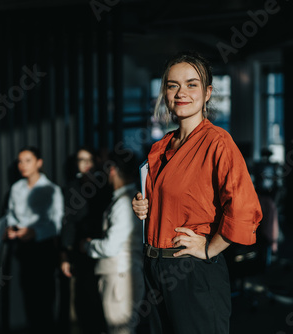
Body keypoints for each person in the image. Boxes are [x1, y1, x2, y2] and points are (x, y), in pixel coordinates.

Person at [131, 51, 263, 334]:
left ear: (207, 93)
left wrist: (208, 248)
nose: (181, 92)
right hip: (154, 267)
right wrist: (144, 206)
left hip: (191, 269)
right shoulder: (161, 147)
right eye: (172, 84)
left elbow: (244, 208)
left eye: (192, 84)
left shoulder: (217, 142)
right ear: (165, 92)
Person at [81, 149, 144, 334]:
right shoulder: (126, 200)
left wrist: (87, 245)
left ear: (113, 170)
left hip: (120, 278)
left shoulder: (124, 203)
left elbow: (110, 247)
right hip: (121, 277)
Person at [4, 146, 64, 333]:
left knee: (43, 297)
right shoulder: (16, 188)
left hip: (43, 248)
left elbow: (57, 223)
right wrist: (12, 228)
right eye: (20, 161)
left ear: (39, 162)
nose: (23, 165)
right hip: (20, 247)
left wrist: (35, 232)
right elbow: (10, 214)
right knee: (23, 296)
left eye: (27, 160)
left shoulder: (52, 189)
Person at [60, 147, 110, 334]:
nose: (86, 163)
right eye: (82, 160)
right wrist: (64, 254)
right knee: (81, 301)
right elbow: (67, 222)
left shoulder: (105, 184)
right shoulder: (70, 187)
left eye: (89, 159)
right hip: (79, 251)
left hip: (101, 249)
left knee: (101, 301)